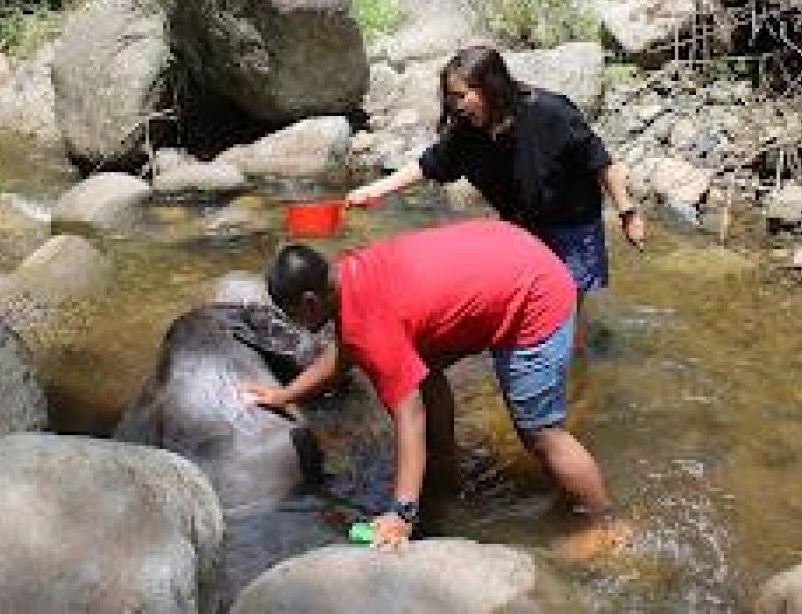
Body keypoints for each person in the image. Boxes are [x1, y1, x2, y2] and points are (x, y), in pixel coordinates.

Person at [243, 218, 615, 551]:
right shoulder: (350, 274)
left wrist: (401, 513)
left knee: (541, 435)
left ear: (310, 302)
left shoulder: (369, 326)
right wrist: (285, 395)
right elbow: (345, 353)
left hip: (535, 294)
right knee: (424, 364)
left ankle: (606, 526)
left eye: (290, 313)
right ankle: (447, 472)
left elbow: (410, 416)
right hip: (512, 251)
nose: (291, 323)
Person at [347, 45, 645, 297]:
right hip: (522, 228)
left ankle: (579, 346)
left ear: (491, 89)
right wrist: (375, 190)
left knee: (567, 305)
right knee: (529, 303)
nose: (454, 105)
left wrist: (627, 214)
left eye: (461, 95)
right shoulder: (467, 130)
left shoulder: (551, 113)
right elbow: (431, 164)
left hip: (572, 226)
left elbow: (602, 163)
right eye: (450, 96)